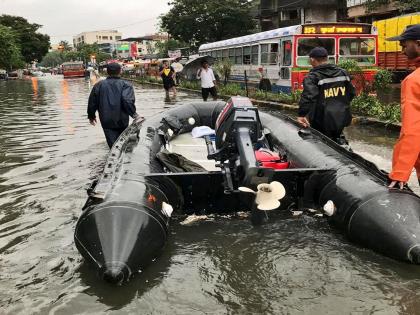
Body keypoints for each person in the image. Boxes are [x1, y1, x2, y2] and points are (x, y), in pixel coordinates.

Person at [297, 47, 356, 144]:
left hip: (321, 120)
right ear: (327, 58)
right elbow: (352, 93)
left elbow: (309, 97)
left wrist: (301, 115)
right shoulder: (343, 73)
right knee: (339, 140)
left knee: (323, 145)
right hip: (341, 117)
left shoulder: (312, 77)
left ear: (312, 59)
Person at [386, 24, 420, 189]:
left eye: (405, 46)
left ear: (418, 44)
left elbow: (413, 129)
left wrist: (400, 172)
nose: (402, 51)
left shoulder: (414, 81)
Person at [87, 62, 141, 148]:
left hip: (106, 119)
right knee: (122, 143)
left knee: (112, 146)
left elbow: (92, 102)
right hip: (122, 119)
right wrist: (134, 114)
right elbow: (127, 101)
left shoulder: (99, 85)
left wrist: (91, 116)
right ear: (120, 71)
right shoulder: (126, 85)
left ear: (107, 72)